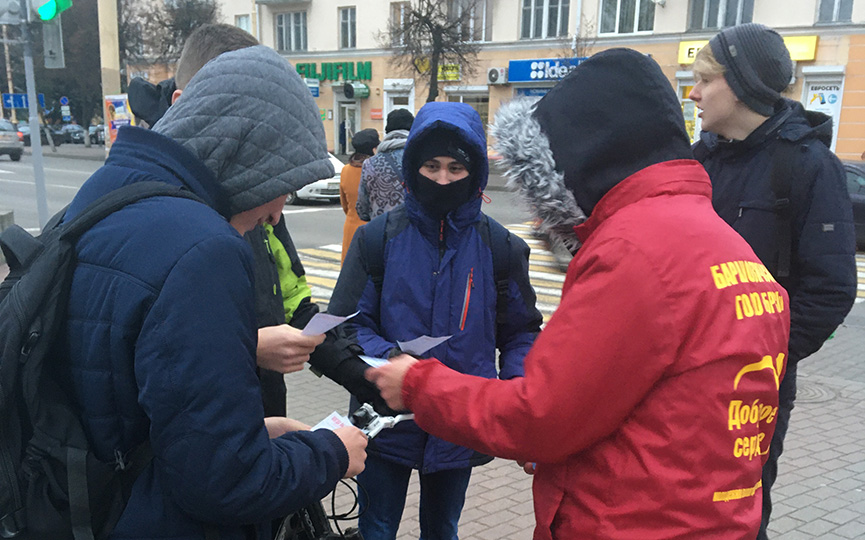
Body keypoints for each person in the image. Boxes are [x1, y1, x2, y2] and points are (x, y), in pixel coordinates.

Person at [366, 48, 792, 540]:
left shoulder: (634, 251)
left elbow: (541, 416)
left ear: (579, 159)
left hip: (628, 521)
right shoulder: (725, 244)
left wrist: (419, 385)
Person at [60, 45, 367, 540]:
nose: (276, 213)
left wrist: (252, 436)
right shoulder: (203, 248)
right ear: (251, 155)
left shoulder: (107, 197)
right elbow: (228, 483)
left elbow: (124, 406)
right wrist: (331, 452)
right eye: (284, 183)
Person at [328, 101, 543, 540]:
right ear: (413, 167)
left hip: (460, 422)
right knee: (377, 528)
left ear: (475, 171)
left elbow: (520, 331)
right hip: (385, 420)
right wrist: (393, 367)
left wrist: (517, 394)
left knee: (443, 528)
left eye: (455, 168)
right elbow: (344, 325)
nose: (442, 179)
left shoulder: (501, 248)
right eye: (431, 166)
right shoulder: (377, 239)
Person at [688, 23, 857, 539]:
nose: (693, 93)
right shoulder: (698, 162)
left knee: (740, 513)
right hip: (685, 380)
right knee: (680, 506)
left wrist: (764, 358)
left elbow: (830, 289)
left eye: (703, 80)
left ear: (738, 84)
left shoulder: (808, 166)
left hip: (751, 388)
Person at [356, 108, 414, 221]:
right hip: (415, 232)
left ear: (387, 131)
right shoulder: (422, 160)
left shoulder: (370, 164)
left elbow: (362, 209)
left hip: (382, 232)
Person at [339, 128, 379, 262]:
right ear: (374, 149)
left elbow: (344, 204)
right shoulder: (377, 170)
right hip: (374, 229)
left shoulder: (346, 170)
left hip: (351, 228)